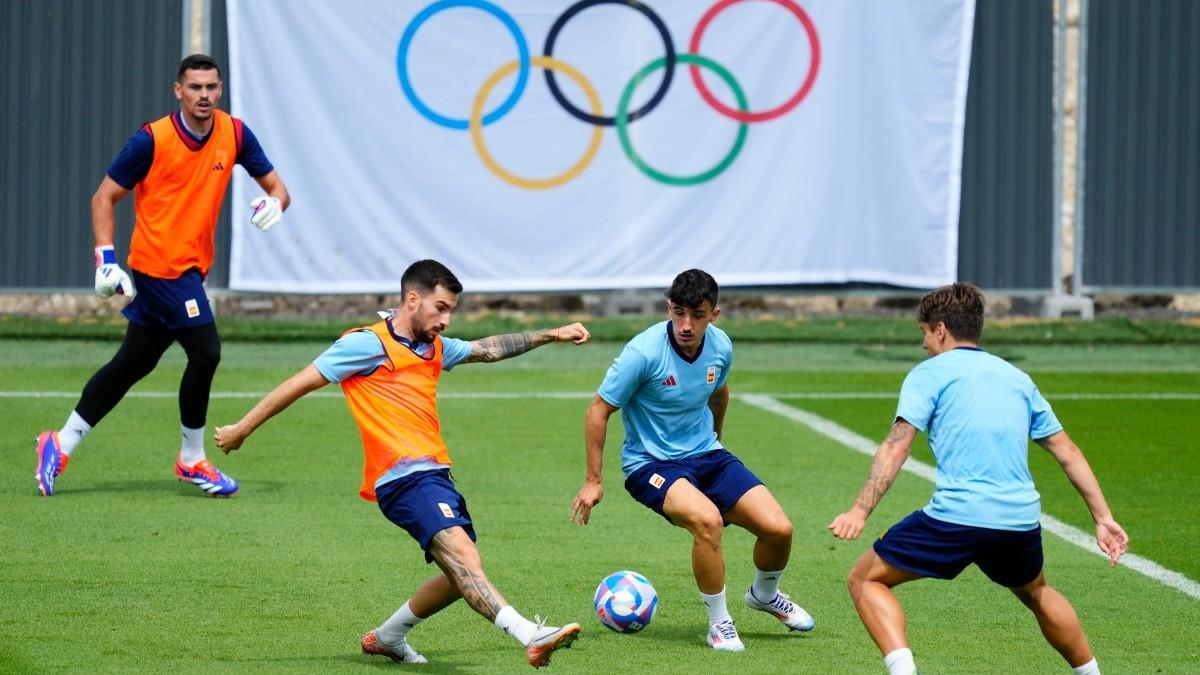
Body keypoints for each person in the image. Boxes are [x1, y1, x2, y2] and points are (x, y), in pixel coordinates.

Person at [214, 259, 588, 668]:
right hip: (402, 478)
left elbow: (488, 349)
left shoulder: (434, 347)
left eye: (451, 311)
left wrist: (553, 333)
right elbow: (299, 383)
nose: (446, 319)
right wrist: (242, 429)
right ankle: (529, 635)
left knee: (457, 576)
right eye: (440, 307)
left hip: (436, 474)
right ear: (413, 299)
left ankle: (389, 637)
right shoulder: (366, 344)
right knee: (464, 558)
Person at [828, 282, 1129, 675]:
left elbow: (896, 446)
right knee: (1037, 591)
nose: (923, 345)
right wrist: (1103, 517)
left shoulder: (929, 372)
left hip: (957, 517)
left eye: (923, 333)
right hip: (1019, 521)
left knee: (865, 580)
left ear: (939, 329)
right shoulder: (1017, 377)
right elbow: (1067, 451)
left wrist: (859, 510)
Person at [34, 53, 290, 497]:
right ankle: (192, 458)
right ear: (178, 91)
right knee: (206, 351)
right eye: (195, 87)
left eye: (211, 87)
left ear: (220, 89)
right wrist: (105, 259)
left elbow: (277, 188)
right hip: (158, 268)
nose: (204, 96)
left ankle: (60, 442)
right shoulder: (151, 139)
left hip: (191, 267)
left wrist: (276, 204)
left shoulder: (234, 133)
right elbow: (103, 198)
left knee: (133, 364)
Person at [570, 269, 814, 652]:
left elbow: (719, 392)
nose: (686, 325)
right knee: (708, 522)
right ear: (669, 307)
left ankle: (764, 595)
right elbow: (597, 411)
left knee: (779, 529)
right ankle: (719, 623)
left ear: (713, 314)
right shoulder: (643, 352)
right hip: (650, 465)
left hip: (707, 455)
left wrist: (718, 447)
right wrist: (593, 480)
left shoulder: (721, 347)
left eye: (696, 315)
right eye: (678, 313)